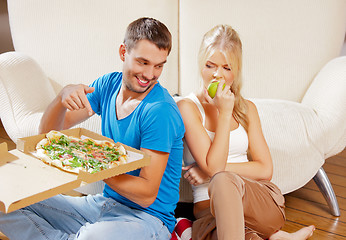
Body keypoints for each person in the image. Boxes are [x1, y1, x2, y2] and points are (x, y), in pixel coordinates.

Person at [0, 17, 185, 240]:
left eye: (158, 66)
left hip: (147, 219)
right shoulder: (108, 85)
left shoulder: (160, 110)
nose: (149, 75)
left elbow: (146, 194)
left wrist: (91, 166)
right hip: (102, 205)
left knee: (91, 237)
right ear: (123, 52)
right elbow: (47, 135)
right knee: (6, 198)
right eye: (142, 62)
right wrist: (61, 98)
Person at [177, 24, 315, 240]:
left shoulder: (247, 108)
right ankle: (277, 237)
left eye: (227, 68)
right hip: (209, 210)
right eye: (210, 65)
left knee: (221, 180)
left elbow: (264, 169)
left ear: (236, 71)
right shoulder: (188, 108)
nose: (217, 75)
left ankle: (273, 234)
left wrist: (210, 172)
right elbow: (216, 167)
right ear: (200, 64)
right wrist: (224, 115)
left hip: (258, 204)